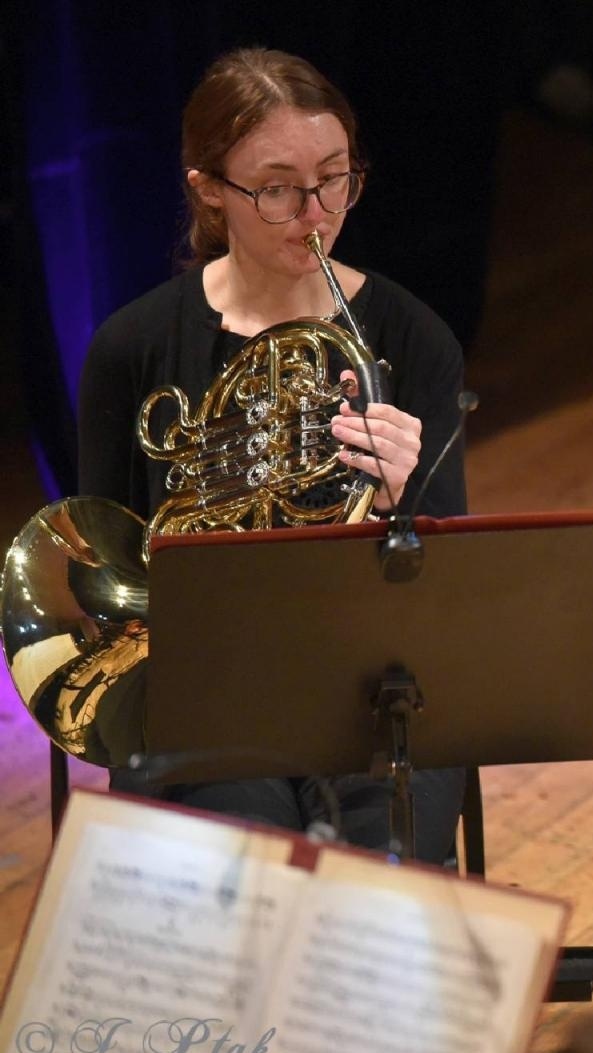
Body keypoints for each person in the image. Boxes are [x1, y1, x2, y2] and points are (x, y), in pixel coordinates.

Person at [78, 48, 468, 864]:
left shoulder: (410, 339)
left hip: (374, 691)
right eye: (278, 188)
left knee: (379, 861)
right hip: (202, 694)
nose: (315, 212)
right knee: (254, 860)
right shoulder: (134, 348)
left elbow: (451, 595)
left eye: (334, 177)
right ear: (209, 191)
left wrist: (409, 503)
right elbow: (103, 580)